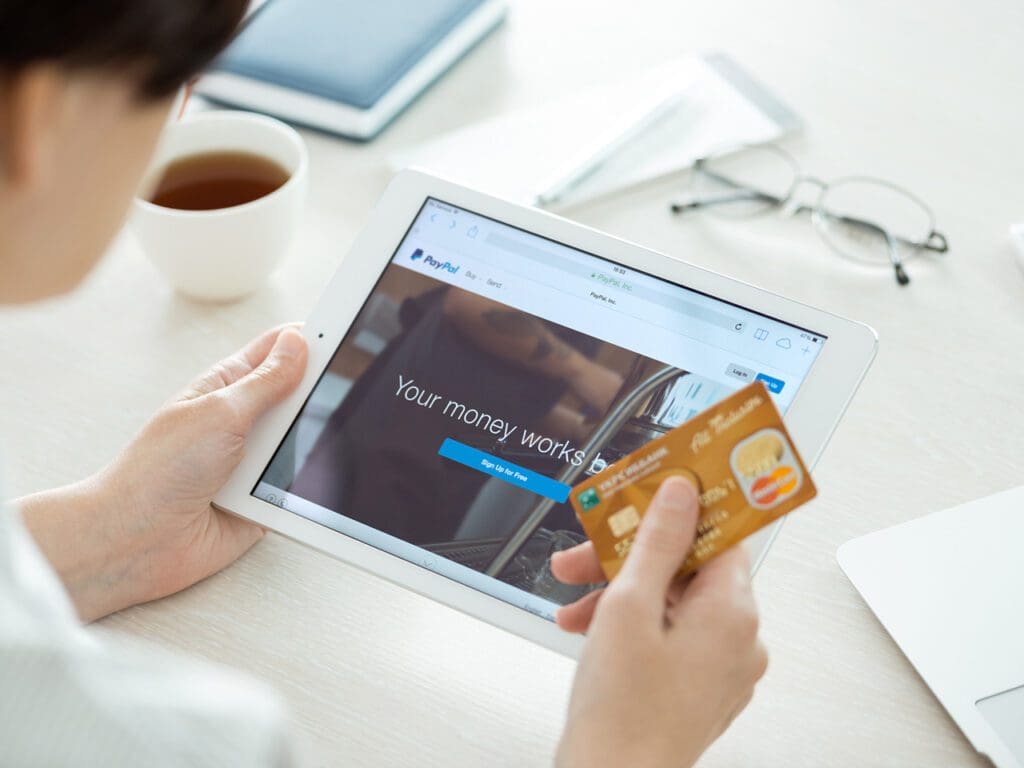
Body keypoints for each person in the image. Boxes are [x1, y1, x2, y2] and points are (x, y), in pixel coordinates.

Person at [0, 2, 768, 766]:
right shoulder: (185, 744)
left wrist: (109, 534)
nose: (184, 111)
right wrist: (635, 746)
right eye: (175, 86)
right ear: (38, 115)